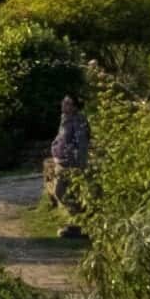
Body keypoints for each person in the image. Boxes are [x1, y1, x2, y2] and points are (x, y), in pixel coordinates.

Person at [50, 95, 91, 237]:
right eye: (63, 102)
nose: (63, 105)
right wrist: (55, 149)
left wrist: (78, 164)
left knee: (63, 191)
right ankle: (78, 224)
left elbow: (82, 145)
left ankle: (80, 224)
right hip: (62, 162)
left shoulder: (79, 121)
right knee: (61, 192)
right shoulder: (64, 119)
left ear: (74, 107)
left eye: (67, 103)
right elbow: (60, 138)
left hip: (72, 164)